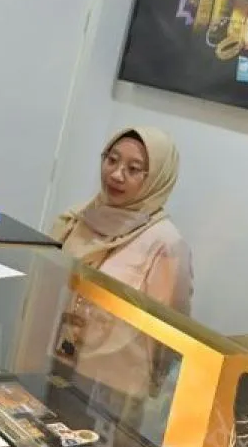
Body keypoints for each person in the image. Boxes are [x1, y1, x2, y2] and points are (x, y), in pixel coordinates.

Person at [50, 126, 193, 402]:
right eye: (112, 160)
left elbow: (166, 336)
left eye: (133, 169)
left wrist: (153, 395)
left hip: (112, 389)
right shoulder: (81, 217)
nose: (116, 175)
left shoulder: (166, 244)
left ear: (158, 178)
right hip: (56, 363)